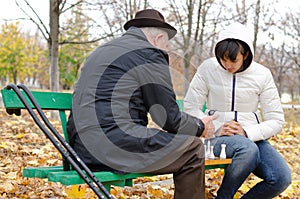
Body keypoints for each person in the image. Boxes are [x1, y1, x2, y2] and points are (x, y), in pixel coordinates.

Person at [67, 9, 216, 199]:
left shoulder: (102, 50)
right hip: (112, 147)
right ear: (158, 38)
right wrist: (200, 126)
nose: (165, 50)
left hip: (79, 149)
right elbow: (168, 119)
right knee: (192, 149)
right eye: (166, 45)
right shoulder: (149, 53)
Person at [184, 22, 291, 198]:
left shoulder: (262, 74)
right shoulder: (208, 68)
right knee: (247, 149)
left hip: (252, 138)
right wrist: (213, 128)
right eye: (222, 59)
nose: (227, 65)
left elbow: (276, 119)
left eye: (233, 60)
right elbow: (190, 106)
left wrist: (247, 132)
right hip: (215, 139)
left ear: (246, 54)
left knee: (281, 178)